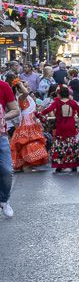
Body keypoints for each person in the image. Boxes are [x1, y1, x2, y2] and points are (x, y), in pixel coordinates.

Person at [41, 86, 79, 173]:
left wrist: (39, 113)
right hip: (71, 126)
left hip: (60, 126)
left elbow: (48, 110)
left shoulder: (56, 102)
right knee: (72, 145)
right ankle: (73, 165)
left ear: (59, 94)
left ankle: (59, 166)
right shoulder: (73, 102)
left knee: (60, 145)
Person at [8, 79, 48, 172]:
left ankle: (28, 164)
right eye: (25, 86)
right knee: (27, 143)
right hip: (26, 124)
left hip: (31, 122)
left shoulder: (27, 97)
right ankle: (26, 165)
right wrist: (19, 83)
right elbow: (25, 92)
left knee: (31, 143)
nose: (28, 87)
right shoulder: (21, 97)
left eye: (27, 85)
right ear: (20, 89)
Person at [0, 77, 20, 218]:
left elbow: (15, 110)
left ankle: (4, 200)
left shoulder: (3, 86)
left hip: (1, 135)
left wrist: (2, 117)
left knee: (7, 170)